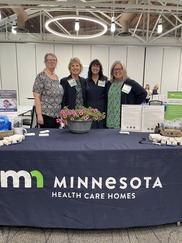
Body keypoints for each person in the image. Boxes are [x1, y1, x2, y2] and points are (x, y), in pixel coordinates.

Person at [106, 60, 147, 129]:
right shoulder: (109, 84)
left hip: (123, 118)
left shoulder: (129, 82)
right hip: (110, 118)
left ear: (124, 70)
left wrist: (133, 106)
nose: (117, 71)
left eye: (120, 69)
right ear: (112, 71)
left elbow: (143, 93)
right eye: (115, 69)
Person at [33, 53, 64, 128]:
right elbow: (36, 97)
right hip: (46, 115)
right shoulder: (41, 76)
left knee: (56, 138)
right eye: (50, 60)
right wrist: (39, 115)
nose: (52, 62)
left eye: (54, 60)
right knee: (48, 138)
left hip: (57, 115)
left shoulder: (56, 77)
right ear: (45, 62)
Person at [86, 59, 108, 128]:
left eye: (97, 66)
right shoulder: (86, 81)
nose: (95, 68)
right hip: (89, 110)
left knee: (101, 132)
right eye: (93, 66)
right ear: (90, 68)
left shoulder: (105, 80)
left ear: (100, 68)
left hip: (102, 110)